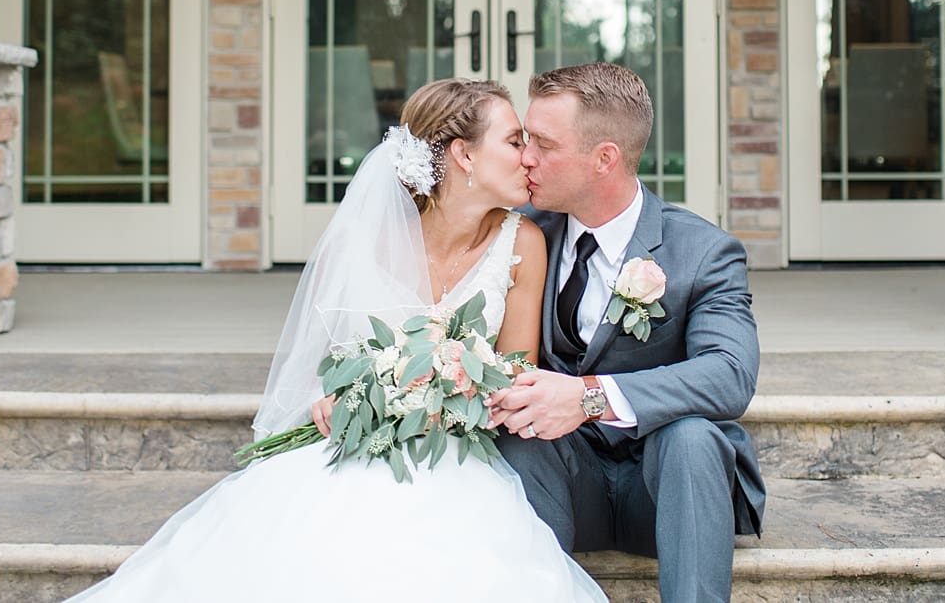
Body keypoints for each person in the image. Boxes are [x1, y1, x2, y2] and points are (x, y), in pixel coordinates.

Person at [67, 79, 605, 603]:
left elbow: (514, 373)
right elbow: (332, 359)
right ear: (464, 155)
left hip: (460, 450)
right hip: (360, 438)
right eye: (515, 142)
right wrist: (340, 394)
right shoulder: (371, 239)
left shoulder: (523, 241)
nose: (529, 157)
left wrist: (442, 392)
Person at [490, 63, 765, 603]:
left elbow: (730, 376)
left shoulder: (703, 251)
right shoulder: (519, 235)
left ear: (605, 159)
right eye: (524, 140)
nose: (526, 158)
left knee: (693, 437)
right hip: (565, 484)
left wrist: (590, 397)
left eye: (543, 144)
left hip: (669, 493)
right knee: (518, 434)